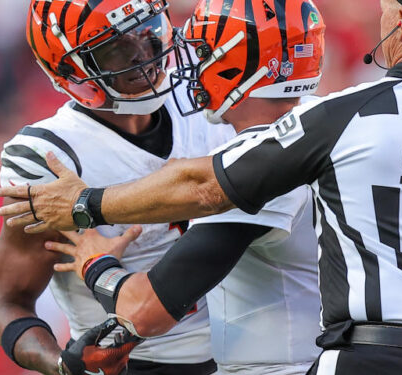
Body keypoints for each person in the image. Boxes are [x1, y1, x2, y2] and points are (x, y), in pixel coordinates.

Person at [0, 0, 402, 374]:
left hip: (293, 363)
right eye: (122, 45)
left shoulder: (323, 129)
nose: (167, 54)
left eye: (196, 43)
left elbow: (192, 214)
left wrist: (89, 220)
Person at [43, 1, 327, 373]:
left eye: (205, 52)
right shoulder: (328, 121)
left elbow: (143, 311)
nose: (190, 65)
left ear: (238, 63)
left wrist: (96, 262)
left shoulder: (261, 162)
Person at [0, 0, 233, 374]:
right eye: (115, 49)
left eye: (148, 33)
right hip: (139, 365)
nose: (144, 57)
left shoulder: (203, 95)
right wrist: (60, 364)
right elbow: (10, 303)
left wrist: (89, 203)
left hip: (249, 357)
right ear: (69, 69)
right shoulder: (50, 157)